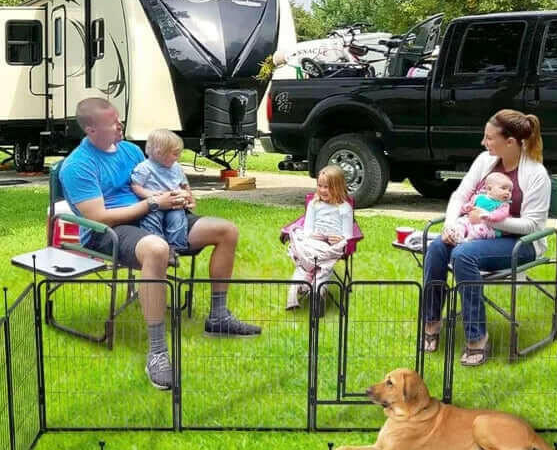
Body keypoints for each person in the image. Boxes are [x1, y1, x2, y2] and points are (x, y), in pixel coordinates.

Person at [59, 98, 260, 392]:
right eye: (112, 122)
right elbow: (100, 217)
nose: (120, 125)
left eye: (119, 118)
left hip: (158, 214)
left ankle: (218, 317)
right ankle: (157, 351)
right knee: (156, 248)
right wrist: (153, 203)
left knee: (226, 230)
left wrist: (183, 196)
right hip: (110, 231)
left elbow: (157, 177)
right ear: (91, 129)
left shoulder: (129, 150)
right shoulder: (76, 166)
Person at [422, 109, 551, 367]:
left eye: (490, 138)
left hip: (520, 244)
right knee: (438, 247)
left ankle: (477, 337)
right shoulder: (484, 161)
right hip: (478, 234)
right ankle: (431, 322)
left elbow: (532, 225)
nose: (484, 143)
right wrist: (449, 227)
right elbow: (459, 196)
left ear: (511, 142)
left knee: (463, 254)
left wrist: (489, 219)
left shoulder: (537, 175)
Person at [285, 165, 354, 311]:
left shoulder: (344, 208)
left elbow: (348, 234)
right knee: (302, 244)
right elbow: (308, 228)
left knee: (324, 264)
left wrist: (341, 238)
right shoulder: (314, 204)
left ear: (338, 187)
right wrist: (311, 234)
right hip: (313, 243)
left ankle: (317, 292)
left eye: (327, 187)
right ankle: (296, 289)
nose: (322, 190)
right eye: (320, 186)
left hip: (331, 246)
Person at [130, 128, 191, 251]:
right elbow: (135, 186)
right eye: (175, 154)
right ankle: (158, 246)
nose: (178, 157)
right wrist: (149, 195)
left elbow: (184, 185)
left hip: (174, 203)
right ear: (159, 153)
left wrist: (189, 197)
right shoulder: (145, 168)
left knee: (177, 219)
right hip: (155, 205)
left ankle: (176, 247)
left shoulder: (176, 167)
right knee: (151, 220)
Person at [443, 171, 513, 243]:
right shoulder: (479, 197)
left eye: (510, 190)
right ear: (489, 189)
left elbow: (501, 214)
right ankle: (457, 236)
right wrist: (467, 207)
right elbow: (470, 205)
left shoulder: (504, 205)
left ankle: (468, 240)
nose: (507, 192)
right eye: (504, 188)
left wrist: (489, 215)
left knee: (480, 230)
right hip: (470, 221)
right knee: (461, 222)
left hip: (489, 227)